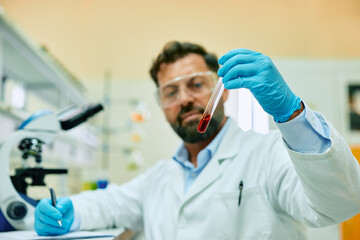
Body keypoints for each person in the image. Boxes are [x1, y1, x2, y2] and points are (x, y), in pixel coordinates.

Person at [34, 41, 360, 239]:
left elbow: (342, 203)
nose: (185, 98)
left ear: (222, 89)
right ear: (162, 106)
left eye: (196, 84)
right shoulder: (161, 176)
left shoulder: (267, 153)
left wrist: (291, 114)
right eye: (171, 92)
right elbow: (111, 202)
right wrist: (69, 210)